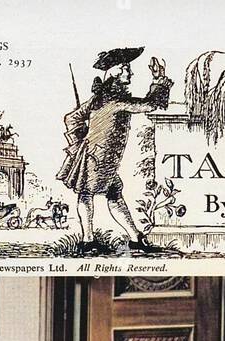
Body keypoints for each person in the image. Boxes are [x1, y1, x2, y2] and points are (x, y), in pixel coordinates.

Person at [57, 47, 173, 250]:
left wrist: (81, 138)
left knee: (109, 193)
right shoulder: (116, 100)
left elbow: (71, 118)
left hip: (99, 157)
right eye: (126, 68)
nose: (131, 72)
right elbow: (149, 105)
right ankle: (89, 241)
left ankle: (133, 237)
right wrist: (159, 80)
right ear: (116, 72)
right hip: (98, 159)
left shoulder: (101, 99)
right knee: (89, 193)